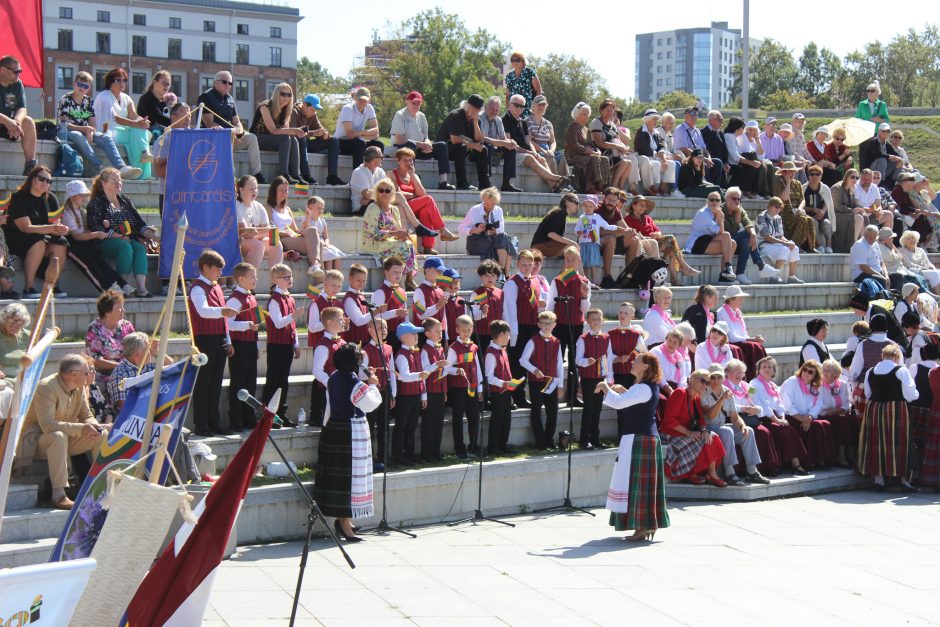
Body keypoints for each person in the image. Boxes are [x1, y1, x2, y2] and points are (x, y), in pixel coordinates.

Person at [19, 355, 109, 509]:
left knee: (101, 435)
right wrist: (81, 428)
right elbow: (47, 425)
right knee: (58, 436)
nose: (90, 375)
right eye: (86, 372)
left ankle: (102, 487)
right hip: (37, 440)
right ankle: (58, 495)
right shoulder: (46, 387)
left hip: (66, 438)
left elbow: (86, 416)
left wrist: (96, 426)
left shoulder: (79, 386)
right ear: (73, 374)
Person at [599, 353, 670, 541]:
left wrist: (605, 387)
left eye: (637, 361)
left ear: (645, 367)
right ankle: (646, 525)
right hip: (642, 438)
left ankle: (644, 525)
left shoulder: (643, 388)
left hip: (641, 439)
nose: (632, 362)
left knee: (638, 484)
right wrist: (624, 391)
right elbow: (630, 399)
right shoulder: (643, 388)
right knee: (636, 483)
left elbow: (618, 403)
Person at [315, 343, 382, 542]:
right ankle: (344, 522)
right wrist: (372, 384)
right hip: (351, 432)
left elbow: (329, 404)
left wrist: (326, 426)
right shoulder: (356, 384)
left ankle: (345, 520)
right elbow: (370, 405)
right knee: (350, 478)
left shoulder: (333, 378)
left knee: (343, 477)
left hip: (335, 428)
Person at [85, 168, 159, 297]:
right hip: (104, 242)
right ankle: (123, 285)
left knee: (140, 249)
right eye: (114, 179)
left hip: (127, 239)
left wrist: (155, 238)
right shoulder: (96, 203)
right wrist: (119, 236)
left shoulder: (125, 200)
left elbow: (138, 224)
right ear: (104, 183)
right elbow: (96, 228)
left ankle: (141, 288)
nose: (118, 182)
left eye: (120, 179)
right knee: (125, 247)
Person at [188, 250, 237, 436]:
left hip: (219, 338)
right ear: (206, 267)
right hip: (204, 339)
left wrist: (228, 339)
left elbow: (223, 318)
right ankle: (201, 424)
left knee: (216, 382)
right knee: (204, 382)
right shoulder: (197, 288)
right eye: (217, 268)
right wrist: (223, 311)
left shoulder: (216, 287)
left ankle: (213, 421)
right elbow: (203, 311)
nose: (220, 272)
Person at [57, 72, 141, 179]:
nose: (82, 88)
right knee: (78, 135)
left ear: (89, 88)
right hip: (67, 131)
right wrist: (86, 129)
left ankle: (121, 167)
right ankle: (100, 166)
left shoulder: (89, 101)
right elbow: (65, 124)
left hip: (84, 131)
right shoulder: (65, 99)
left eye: (86, 86)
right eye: (80, 85)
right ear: (74, 84)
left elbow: (93, 123)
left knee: (105, 137)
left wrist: (90, 132)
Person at [2, 165, 69, 298]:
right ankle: (29, 287)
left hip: (41, 237)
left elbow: (55, 225)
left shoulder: (51, 199)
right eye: (42, 179)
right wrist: (52, 229)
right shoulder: (19, 197)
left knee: (61, 243)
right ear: (32, 179)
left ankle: (51, 285)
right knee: (38, 242)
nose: (45, 183)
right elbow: (26, 228)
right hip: (17, 238)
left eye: (49, 181)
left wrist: (60, 229)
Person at [860, 344, 917, 491]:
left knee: (876, 441)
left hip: (875, 409)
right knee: (900, 442)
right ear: (897, 357)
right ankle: (904, 481)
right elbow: (910, 395)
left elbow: (867, 393)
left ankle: (879, 481)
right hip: (896, 409)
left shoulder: (871, 371)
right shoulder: (901, 370)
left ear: (882, 356)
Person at [700, 365, 767, 485]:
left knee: (749, 431)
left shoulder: (727, 391)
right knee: (727, 431)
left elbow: (735, 417)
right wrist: (721, 399)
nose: (715, 380)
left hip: (721, 427)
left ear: (723, 377)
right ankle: (730, 473)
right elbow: (710, 415)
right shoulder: (704, 392)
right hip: (708, 428)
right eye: (713, 377)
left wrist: (742, 426)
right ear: (709, 378)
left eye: (718, 377)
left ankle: (752, 471)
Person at [60, 180, 129, 294]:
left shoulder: (81, 211)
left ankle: (121, 284)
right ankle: (107, 289)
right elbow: (76, 236)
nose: (84, 198)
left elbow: (85, 230)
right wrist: (96, 234)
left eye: (84, 195)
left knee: (101, 262)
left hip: (84, 243)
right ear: (72, 197)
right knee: (89, 266)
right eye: (81, 195)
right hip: (73, 246)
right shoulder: (68, 213)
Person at [660, 369, 727, 485]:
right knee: (704, 439)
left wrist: (705, 430)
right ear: (691, 380)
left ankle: (711, 473)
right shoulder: (679, 393)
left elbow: (701, 420)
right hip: (671, 434)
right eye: (702, 381)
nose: (705, 385)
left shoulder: (696, 398)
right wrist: (688, 432)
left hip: (685, 433)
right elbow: (669, 420)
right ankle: (693, 473)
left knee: (711, 436)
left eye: (707, 383)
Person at [197, 71, 263, 182]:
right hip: (214, 139)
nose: (228, 85)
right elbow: (209, 123)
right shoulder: (206, 97)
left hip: (232, 136)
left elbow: (236, 121)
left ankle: (257, 174)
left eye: (230, 83)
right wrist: (229, 133)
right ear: (215, 82)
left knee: (251, 138)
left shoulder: (230, 99)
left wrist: (239, 132)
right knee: (225, 138)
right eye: (224, 82)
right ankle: (230, 179)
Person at [390, 147, 457, 254]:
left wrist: (413, 177)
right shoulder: (392, 174)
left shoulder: (414, 175)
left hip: (413, 207)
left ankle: (428, 247)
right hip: (401, 207)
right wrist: (413, 194)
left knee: (426, 210)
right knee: (428, 200)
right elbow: (397, 194)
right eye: (405, 160)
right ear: (398, 161)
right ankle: (443, 230)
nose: (408, 163)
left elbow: (421, 194)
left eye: (410, 160)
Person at [750, 356, 810, 475]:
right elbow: (764, 406)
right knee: (783, 430)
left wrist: (782, 418)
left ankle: (794, 463)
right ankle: (786, 464)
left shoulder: (772, 385)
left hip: (774, 417)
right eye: (764, 367)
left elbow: (780, 404)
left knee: (789, 428)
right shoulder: (754, 384)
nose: (766, 369)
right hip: (761, 418)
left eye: (769, 367)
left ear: (774, 370)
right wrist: (777, 420)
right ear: (758, 370)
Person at [724, 358, 780, 476]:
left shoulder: (748, 386)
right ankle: (743, 470)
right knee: (755, 433)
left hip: (749, 416)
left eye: (741, 372)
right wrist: (742, 408)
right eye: (736, 371)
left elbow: (755, 402)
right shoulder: (724, 386)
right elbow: (726, 406)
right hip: (732, 417)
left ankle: (765, 467)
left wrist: (757, 409)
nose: (739, 375)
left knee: (764, 432)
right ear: (728, 373)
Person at [93, 68, 153, 179]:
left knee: (139, 131)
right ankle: (143, 155)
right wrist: (137, 124)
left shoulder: (126, 98)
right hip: (108, 132)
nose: (122, 83)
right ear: (110, 82)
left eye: (124, 80)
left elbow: (133, 115)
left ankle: (144, 162)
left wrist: (143, 121)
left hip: (122, 132)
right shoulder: (104, 96)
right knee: (137, 131)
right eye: (118, 80)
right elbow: (114, 118)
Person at [624, 195, 699, 284]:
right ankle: (681, 269)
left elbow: (658, 232)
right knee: (670, 242)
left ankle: (675, 277)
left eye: (644, 205)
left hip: (655, 242)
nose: (644, 207)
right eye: (641, 205)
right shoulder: (628, 219)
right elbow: (633, 235)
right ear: (633, 206)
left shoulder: (647, 218)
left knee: (670, 246)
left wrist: (656, 234)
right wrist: (649, 238)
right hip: (642, 244)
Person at [504, 94, 570, 192]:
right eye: (516, 105)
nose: (541, 107)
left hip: (538, 150)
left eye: (521, 106)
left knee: (560, 157)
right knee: (547, 157)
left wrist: (542, 151)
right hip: (517, 152)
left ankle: (558, 185)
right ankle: (556, 178)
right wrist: (535, 151)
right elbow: (513, 143)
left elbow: (549, 141)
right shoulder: (522, 121)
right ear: (533, 106)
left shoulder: (522, 122)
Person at [224, 262, 262, 432]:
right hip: (239, 344)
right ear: (241, 279)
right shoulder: (235, 299)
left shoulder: (250, 296)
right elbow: (228, 323)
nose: (255, 280)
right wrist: (247, 325)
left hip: (250, 343)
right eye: (252, 277)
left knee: (250, 381)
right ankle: (236, 419)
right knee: (239, 382)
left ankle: (248, 416)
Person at [780, 360, 837, 469]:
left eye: (810, 372)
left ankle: (820, 460)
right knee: (794, 428)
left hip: (807, 418)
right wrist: (803, 419)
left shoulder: (815, 387)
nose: (806, 373)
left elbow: (817, 405)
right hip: (792, 416)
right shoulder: (792, 382)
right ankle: (804, 462)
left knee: (822, 425)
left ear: (815, 375)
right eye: (805, 369)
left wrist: (809, 418)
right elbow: (788, 405)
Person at [389, 91, 452, 189]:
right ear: (407, 102)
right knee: (411, 145)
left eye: (418, 103)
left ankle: (443, 181)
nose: (416, 105)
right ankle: (411, 180)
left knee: (442, 146)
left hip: (418, 148)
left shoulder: (422, 116)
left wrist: (427, 143)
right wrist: (420, 144)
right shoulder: (400, 115)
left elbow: (425, 137)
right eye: (413, 103)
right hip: (402, 148)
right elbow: (399, 139)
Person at [360, 178, 418, 282]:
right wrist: (393, 233)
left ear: (392, 192)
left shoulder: (394, 209)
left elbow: (398, 230)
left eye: (387, 190)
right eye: (381, 190)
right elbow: (372, 233)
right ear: (377, 192)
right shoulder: (373, 208)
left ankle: (408, 279)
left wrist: (402, 234)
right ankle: (398, 281)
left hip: (388, 241)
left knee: (409, 244)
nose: (384, 193)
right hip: (373, 243)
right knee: (402, 248)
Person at [521, 311, 564, 450]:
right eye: (544, 323)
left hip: (551, 382)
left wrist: (561, 385)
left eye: (549, 324)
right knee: (536, 410)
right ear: (539, 324)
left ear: (555, 325)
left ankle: (549, 439)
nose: (546, 326)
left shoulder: (557, 342)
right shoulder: (533, 341)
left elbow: (559, 365)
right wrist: (534, 370)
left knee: (553, 410)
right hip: (536, 382)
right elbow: (523, 360)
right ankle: (540, 442)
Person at [250, 83, 307, 183]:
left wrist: (298, 132)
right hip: (257, 139)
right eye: (283, 94)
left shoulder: (286, 110)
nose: (286, 97)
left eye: (289, 95)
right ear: (276, 94)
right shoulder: (265, 107)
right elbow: (273, 130)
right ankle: (284, 174)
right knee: (286, 138)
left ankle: (296, 175)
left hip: (272, 139)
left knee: (293, 139)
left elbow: (285, 131)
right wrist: (294, 130)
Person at [721, 188, 780, 284]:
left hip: (735, 243)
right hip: (724, 243)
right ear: (726, 199)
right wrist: (738, 219)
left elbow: (749, 224)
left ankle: (740, 273)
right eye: (733, 199)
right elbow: (726, 232)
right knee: (746, 235)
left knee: (746, 241)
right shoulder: (720, 211)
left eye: (738, 199)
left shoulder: (740, 209)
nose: (736, 201)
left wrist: (753, 234)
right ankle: (761, 266)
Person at [446, 315, 485, 459]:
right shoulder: (453, 348)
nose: (466, 333)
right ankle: (459, 448)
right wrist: (456, 370)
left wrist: (480, 388)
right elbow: (446, 368)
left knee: (474, 417)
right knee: (458, 418)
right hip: (458, 388)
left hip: (472, 388)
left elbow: (478, 369)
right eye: (463, 330)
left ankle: (474, 446)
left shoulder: (474, 346)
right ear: (457, 330)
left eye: (469, 330)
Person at [265, 176, 321, 274]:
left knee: (313, 232)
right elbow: (269, 230)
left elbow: (295, 230)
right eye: (281, 190)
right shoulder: (268, 208)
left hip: (292, 236)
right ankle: (318, 279)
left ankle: (315, 267)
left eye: (286, 190)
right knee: (318, 246)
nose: (284, 193)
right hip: (280, 239)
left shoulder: (287, 209)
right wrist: (286, 233)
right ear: (274, 191)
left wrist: (307, 219)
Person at [84, 289, 135, 396]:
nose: (123, 310)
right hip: (105, 375)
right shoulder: (94, 329)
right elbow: (95, 360)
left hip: (128, 372)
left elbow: (136, 349)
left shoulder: (127, 326)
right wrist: (121, 366)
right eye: (120, 308)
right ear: (107, 311)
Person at [458, 187, 516, 278]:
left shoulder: (498, 210)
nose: (489, 207)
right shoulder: (474, 210)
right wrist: (476, 230)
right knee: (507, 243)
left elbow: (501, 229)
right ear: (483, 200)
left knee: (504, 237)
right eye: (487, 204)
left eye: (492, 204)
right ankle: (504, 272)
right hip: (477, 240)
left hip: (493, 238)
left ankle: (502, 269)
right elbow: (461, 229)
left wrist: (494, 231)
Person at [392, 321, 429, 465]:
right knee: (402, 426)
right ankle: (398, 455)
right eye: (412, 333)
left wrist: (423, 394)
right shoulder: (401, 355)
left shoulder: (416, 352)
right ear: (402, 337)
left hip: (414, 394)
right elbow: (404, 376)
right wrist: (419, 375)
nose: (416, 336)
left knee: (412, 426)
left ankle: (410, 453)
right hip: (405, 395)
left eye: (416, 333)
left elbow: (421, 375)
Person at [106, 331, 169, 415]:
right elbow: (125, 409)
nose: (150, 353)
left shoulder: (148, 367)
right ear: (137, 355)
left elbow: (172, 367)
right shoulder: (120, 374)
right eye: (148, 350)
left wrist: (157, 353)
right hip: (132, 422)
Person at [360, 318, 393, 470]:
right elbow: (361, 372)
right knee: (370, 426)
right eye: (380, 328)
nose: (384, 330)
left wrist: (393, 393)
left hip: (385, 391)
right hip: (372, 393)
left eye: (385, 327)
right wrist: (369, 374)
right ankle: (371, 459)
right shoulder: (365, 350)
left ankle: (383, 457)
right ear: (371, 331)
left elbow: (391, 371)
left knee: (384, 427)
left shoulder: (388, 348)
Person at [683, 192, 737, 283]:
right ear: (707, 202)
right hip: (697, 243)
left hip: (708, 240)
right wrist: (720, 218)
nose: (714, 202)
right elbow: (721, 232)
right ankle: (728, 267)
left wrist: (719, 216)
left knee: (733, 244)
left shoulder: (717, 212)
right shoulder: (703, 213)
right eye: (712, 200)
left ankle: (724, 274)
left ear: (720, 202)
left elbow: (720, 234)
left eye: (717, 200)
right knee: (728, 240)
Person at [437, 94, 487, 191]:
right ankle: (462, 182)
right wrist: (473, 145)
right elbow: (455, 140)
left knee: (483, 149)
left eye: (477, 109)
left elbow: (479, 139)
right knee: (461, 147)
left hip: (464, 149)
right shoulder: (455, 115)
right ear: (467, 105)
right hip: (445, 150)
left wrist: (476, 123)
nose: (474, 111)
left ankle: (484, 184)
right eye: (472, 108)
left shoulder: (476, 119)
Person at [717, 285, 768, 380]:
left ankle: (762, 377)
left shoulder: (738, 311)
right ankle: (753, 377)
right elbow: (732, 337)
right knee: (754, 346)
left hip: (741, 341)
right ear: (731, 299)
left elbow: (744, 333)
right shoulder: (722, 312)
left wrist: (754, 339)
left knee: (757, 345)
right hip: (731, 342)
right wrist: (751, 339)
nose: (742, 301)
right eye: (740, 299)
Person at [293, 94, 345, 186]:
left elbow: (322, 131)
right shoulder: (294, 112)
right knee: (302, 139)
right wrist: (313, 133)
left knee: (334, 141)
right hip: (295, 145)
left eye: (316, 110)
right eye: (313, 109)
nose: (314, 112)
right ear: (305, 105)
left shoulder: (313, 115)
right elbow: (294, 133)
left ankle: (332, 177)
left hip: (306, 144)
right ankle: (306, 175)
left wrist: (324, 134)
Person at [575, 308, 608, 449]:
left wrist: (609, 378)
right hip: (588, 378)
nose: (596, 322)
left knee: (597, 409)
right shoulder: (582, 339)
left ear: (602, 320)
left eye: (599, 319)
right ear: (588, 321)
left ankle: (595, 438)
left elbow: (609, 357)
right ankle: (584, 439)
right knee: (588, 409)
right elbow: (577, 360)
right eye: (593, 319)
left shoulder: (606, 338)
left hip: (600, 379)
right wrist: (586, 362)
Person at [235, 175, 283, 271]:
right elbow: (245, 233)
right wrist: (262, 231)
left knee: (276, 242)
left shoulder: (259, 206)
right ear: (241, 189)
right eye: (251, 189)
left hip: (254, 240)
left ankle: (276, 281)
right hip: (237, 243)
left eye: (256, 188)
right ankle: (248, 282)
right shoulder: (236, 205)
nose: (254, 191)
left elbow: (271, 232)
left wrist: (257, 232)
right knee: (258, 245)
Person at [0, 56, 38, 175]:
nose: (19, 74)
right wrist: (7, 121)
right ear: (3, 70)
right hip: (5, 123)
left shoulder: (17, 84)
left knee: (28, 121)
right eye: (16, 71)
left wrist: (17, 122)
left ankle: (30, 166)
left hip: (9, 126)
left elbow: (22, 107)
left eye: (20, 71)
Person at [310, 306, 347, 429]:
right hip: (328, 391)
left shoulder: (342, 342)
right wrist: (331, 383)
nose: (344, 322)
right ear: (330, 323)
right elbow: (317, 370)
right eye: (340, 319)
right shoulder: (323, 346)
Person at [576, 196, 624, 286]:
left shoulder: (597, 217)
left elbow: (607, 226)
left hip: (593, 243)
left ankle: (594, 279)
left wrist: (617, 227)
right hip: (583, 243)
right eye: (586, 206)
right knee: (585, 262)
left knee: (593, 262)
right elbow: (577, 228)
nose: (588, 208)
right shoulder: (582, 217)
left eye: (590, 206)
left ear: (594, 207)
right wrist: (579, 232)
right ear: (583, 207)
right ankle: (585, 279)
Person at [476, 96, 519, 192]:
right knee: (488, 146)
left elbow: (503, 138)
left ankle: (506, 183)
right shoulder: (480, 118)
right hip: (480, 148)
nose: (494, 112)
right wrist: (503, 143)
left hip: (494, 147)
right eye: (492, 109)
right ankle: (487, 181)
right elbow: (483, 139)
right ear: (486, 107)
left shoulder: (498, 120)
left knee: (511, 149)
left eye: (497, 110)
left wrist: (510, 142)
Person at [484, 320, 515, 456]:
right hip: (497, 393)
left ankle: (503, 443)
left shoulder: (502, 350)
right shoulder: (491, 353)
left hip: (506, 391)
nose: (509, 337)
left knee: (506, 419)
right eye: (508, 335)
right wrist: (503, 383)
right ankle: (493, 446)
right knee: (497, 419)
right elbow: (488, 377)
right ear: (501, 334)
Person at [756, 196, 803, 284]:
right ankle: (774, 276)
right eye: (776, 207)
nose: (778, 210)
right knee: (785, 248)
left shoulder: (778, 218)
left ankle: (791, 277)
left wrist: (788, 242)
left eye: (780, 208)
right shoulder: (761, 217)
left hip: (774, 245)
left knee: (794, 248)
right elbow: (767, 237)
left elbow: (780, 236)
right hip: (763, 246)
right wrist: (785, 244)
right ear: (770, 206)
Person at [565, 102, 610, 193]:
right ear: (577, 114)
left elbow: (592, 145)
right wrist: (587, 151)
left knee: (604, 159)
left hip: (587, 154)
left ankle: (602, 185)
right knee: (593, 158)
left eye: (587, 114)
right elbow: (574, 145)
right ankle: (590, 186)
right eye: (583, 114)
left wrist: (597, 151)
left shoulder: (587, 130)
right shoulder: (572, 127)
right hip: (573, 155)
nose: (586, 116)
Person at [334, 86, 384, 168]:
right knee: (360, 143)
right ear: (355, 98)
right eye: (360, 99)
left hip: (358, 140)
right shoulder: (348, 109)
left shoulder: (370, 108)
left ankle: (376, 173)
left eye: (365, 100)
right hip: (341, 142)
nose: (362, 102)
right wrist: (368, 134)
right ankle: (357, 174)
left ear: (369, 100)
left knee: (378, 144)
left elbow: (376, 131)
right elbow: (350, 135)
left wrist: (359, 133)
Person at [420, 318, 448, 460]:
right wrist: (437, 364)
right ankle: (427, 453)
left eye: (441, 330)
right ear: (428, 333)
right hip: (430, 390)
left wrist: (444, 390)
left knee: (438, 422)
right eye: (437, 331)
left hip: (439, 390)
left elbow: (443, 372)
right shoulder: (425, 350)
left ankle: (436, 451)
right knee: (429, 423)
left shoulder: (440, 348)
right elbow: (425, 371)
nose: (440, 333)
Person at [673, 106, 723, 185]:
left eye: (696, 114)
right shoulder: (680, 129)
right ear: (686, 115)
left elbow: (704, 148)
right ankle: (706, 188)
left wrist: (709, 158)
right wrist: (704, 159)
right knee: (704, 164)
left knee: (717, 162)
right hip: (688, 159)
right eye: (692, 114)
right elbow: (684, 149)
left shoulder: (697, 131)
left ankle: (715, 187)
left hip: (700, 157)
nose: (695, 116)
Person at [774, 162, 817, 253]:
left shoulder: (797, 184)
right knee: (802, 220)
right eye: (790, 172)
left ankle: (811, 247)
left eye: (793, 172)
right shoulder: (779, 182)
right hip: (784, 213)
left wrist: (800, 208)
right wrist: (788, 182)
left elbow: (803, 200)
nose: (792, 174)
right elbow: (784, 198)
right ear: (784, 172)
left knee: (809, 219)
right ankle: (792, 246)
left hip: (796, 212)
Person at [634, 109, 675, 196]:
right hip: (645, 158)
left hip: (654, 158)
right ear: (647, 119)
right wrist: (657, 155)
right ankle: (653, 188)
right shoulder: (641, 132)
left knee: (671, 163)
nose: (656, 121)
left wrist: (664, 159)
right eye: (654, 119)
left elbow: (661, 146)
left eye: (657, 119)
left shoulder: (656, 133)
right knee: (656, 164)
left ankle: (662, 188)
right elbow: (643, 149)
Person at [723, 117, 764, 198]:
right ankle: (746, 191)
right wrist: (751, 162)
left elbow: (761, 155)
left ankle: (751, 191)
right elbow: (735, 156)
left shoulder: (732, 136)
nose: (743, 130)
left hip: (734, 163)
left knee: (752, 156)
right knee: (750, 161)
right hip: (730, 164)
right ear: (738, 128)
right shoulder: (729, 136)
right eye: (743, 127)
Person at [530, 193, 580, 259]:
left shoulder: (559, 212)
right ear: (567, 202)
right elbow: (551, 234)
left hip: (541, 246)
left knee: (571, 253)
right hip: (540, 247)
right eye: (576, 202)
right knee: (573, 249)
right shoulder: (560, 213)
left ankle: (568, 269)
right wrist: (573, 243)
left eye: (578, 203)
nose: (577, 205)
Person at [302, 196, 345, 272]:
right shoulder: (306, 219)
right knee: (329, 258)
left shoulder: (322, 221)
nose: (321, 210)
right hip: (314, 246)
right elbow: (306, 231)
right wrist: (308, 218)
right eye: (318, 208)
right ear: (310, 208)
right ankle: (328, 279)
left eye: (322, 208)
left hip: (323, 244)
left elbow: (326, 237)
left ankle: (337, 278)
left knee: (337, 256)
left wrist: (326, 242)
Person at [800, 165, 835, 253]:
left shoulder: (825, 188)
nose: (815, 176)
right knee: (813, 222)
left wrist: (822, 211)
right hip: (808, 216)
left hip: (823, 215)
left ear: (821, 176)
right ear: (808, 176)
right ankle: (817, 245)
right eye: (812, 174)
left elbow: (828, 203)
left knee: (827, 223)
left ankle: (829, 246)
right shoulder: (803, 189)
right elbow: (801, 205)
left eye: (817, 174)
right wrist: (813, 210)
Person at [893, 172, 932, 244]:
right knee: (921, 218)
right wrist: (911, 213)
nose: (913, 183)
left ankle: (921, 241)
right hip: (901, 213)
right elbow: (900, 206)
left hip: (907, 212)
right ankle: (919, 242)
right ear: (905, 181)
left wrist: (915, 210)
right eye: (912, 180)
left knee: (922, 217)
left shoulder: (905, 191)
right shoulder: (897, 190)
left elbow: (908, 206)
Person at [832, 169, 865, 253]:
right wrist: (852, 210)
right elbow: (836, 206)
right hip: (836, 215)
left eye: (857, 178)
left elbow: (853, 204)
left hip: (846, 213)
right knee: (859, 218)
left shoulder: (851, 189)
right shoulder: (837, 188)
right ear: (847, 177)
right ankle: (854, 244)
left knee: (863, 216)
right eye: (852, 177)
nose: (855, 180)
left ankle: (863, 245)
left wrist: (859, 209)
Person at [526, 95, 559, 175]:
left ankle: (566, 182)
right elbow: (529, 141)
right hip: (536, 151)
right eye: (539, 104)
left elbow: (553, 141)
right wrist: (542, 150)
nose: (541, 107)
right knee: (552, 159)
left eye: (543, 105)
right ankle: (556, 182)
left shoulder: (548, 123)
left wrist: (551, 150)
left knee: (562, 157)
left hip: (548, 150)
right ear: (533, 105)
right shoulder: (527, 121)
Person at [136, 70, 175, 135]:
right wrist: (178, 123)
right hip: (146, 137)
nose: (166, 86)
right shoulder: (146, 99)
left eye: (168, 84)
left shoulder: (163, 102)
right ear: (155, 82)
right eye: (163, 83)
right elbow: (159, 118)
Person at [0, 303, 31, 386]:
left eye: (19, 321)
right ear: (4, 319)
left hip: (24, 378)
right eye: (11, 319)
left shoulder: (27, 336)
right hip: (4, 379)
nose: (14, 324)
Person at [504, 51, 541, 116]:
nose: (514, 62)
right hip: (514, 110)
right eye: (512, 60)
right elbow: (507, 95)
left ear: (522, 61)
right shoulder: (509, 76)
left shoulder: (529, 72)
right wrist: (508, 107)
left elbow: (538, 90)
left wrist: (536, 107)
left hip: (528, 110)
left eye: (517, 60)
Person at [701, 110, 730, 189]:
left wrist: (726, 163)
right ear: (712, 120)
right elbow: (703, 149)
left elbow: (724, 149)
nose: (722, 122)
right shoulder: (702, 132)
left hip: (721, 165)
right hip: (710, 163)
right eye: (720, 119)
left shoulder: (720, 133)